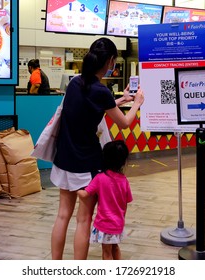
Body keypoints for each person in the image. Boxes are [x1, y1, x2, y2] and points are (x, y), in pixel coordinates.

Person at [49, 37, 144, 260]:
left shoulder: (74, 83)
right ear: (110, 61)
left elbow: (92, 106)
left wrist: (119, 100)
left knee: (62, 216)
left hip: (64, 158)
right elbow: (124, 123)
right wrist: (137, 102)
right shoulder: (100, 92)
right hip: (86, 164)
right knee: (83, 220)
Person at [77, 140, 132, 260]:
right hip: (118, 223)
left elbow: (85, 194)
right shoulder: (124, 180)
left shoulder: (100, 178)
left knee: (106, 252)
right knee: (115, 247)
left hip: (105, 224)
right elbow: (126, 202)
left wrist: (77, 189)